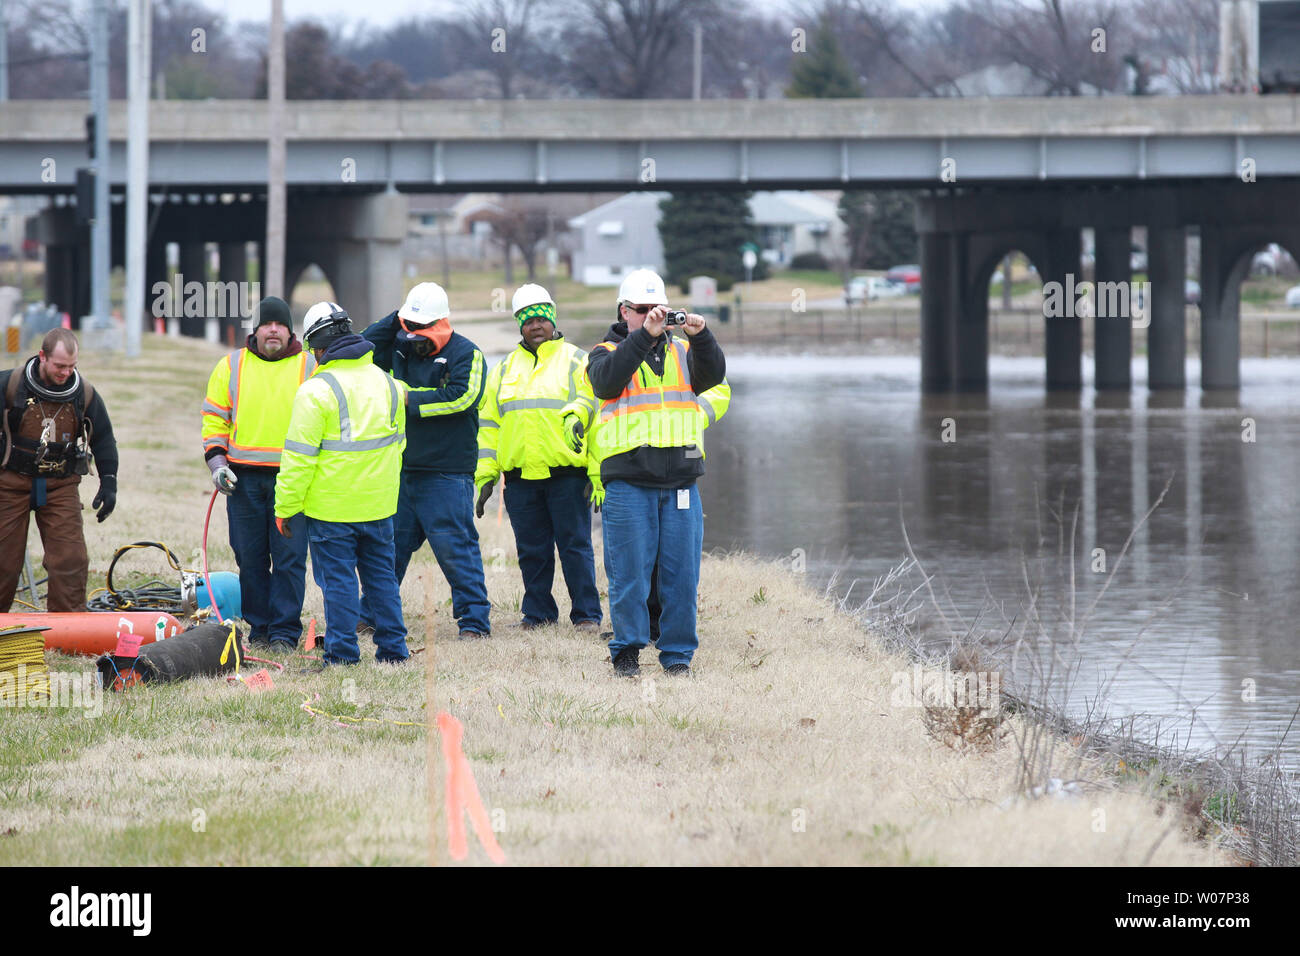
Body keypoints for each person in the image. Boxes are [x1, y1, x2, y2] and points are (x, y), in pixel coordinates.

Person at [581, 269, 726, 678]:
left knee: (681, 577)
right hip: (629, 482)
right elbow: (606, 384)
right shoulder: (604, 351)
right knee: (629, 574)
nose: (650, 317)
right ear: (623, 311)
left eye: (655, 310)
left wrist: (702, 337)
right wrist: (643, 336)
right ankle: (627, 651)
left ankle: (677, 656)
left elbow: (712, 376)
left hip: (680, 481)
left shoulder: (683, 351)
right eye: (641, 311)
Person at [274, 302, 409, 667]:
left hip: (332, 510)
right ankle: (394, 651)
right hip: (380, 506)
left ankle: (343, 655)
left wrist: (286, 509)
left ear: (318, 348)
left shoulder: (315, 391)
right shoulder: (390, 384)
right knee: (382, 580)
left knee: (339, 584)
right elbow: (398, 447)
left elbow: (299, 459)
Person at [362, 282, 492, 640]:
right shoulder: (400, 347)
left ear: (442, 324)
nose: (414, 339)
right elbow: (360, 347)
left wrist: (406, 398)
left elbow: (461, 397)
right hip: (402, 470)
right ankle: (370, 613)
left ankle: (474, 622)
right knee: (387, 549)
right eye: (410, 330)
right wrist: (397, 320)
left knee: (456, 550)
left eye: (422, 331)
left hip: (447, 473)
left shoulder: (468, 353)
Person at [475, 284, 602, 632]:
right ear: (519, 324)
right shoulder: (502, 370)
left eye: (541, 319)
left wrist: (596, 473)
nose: (535, 326)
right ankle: (538, 614)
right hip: (519, 479)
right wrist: (486, 475)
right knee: (532, 551)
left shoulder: (579, 361)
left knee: (575, 546)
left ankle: (587, 615)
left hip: (567, 476)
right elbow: (488, 426)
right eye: (527, 320)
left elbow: (595, 418)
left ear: (552, 320)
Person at [201, 296, 314, 650]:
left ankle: (284, 632)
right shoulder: (231, 365)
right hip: (242, 482)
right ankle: (260, 628)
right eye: (267, 324)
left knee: (289, 558)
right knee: (249, 558)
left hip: (291, 481)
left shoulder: (310, 367)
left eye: (280, 324)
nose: (274, 330)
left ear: (290, 330)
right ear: (257, 329)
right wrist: (218, 464)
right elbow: (215, 419)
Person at [0, 328, 118, 612]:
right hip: (10, 483)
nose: (66, 372)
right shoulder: (9, 385)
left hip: (60, 486)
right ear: (42, 356)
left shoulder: (85, 394)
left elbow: (103, 439)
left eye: (72, 366)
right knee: (3, 561)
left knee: (70, 559)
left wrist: (109, 482)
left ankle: (69, 633)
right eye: (60, 366)